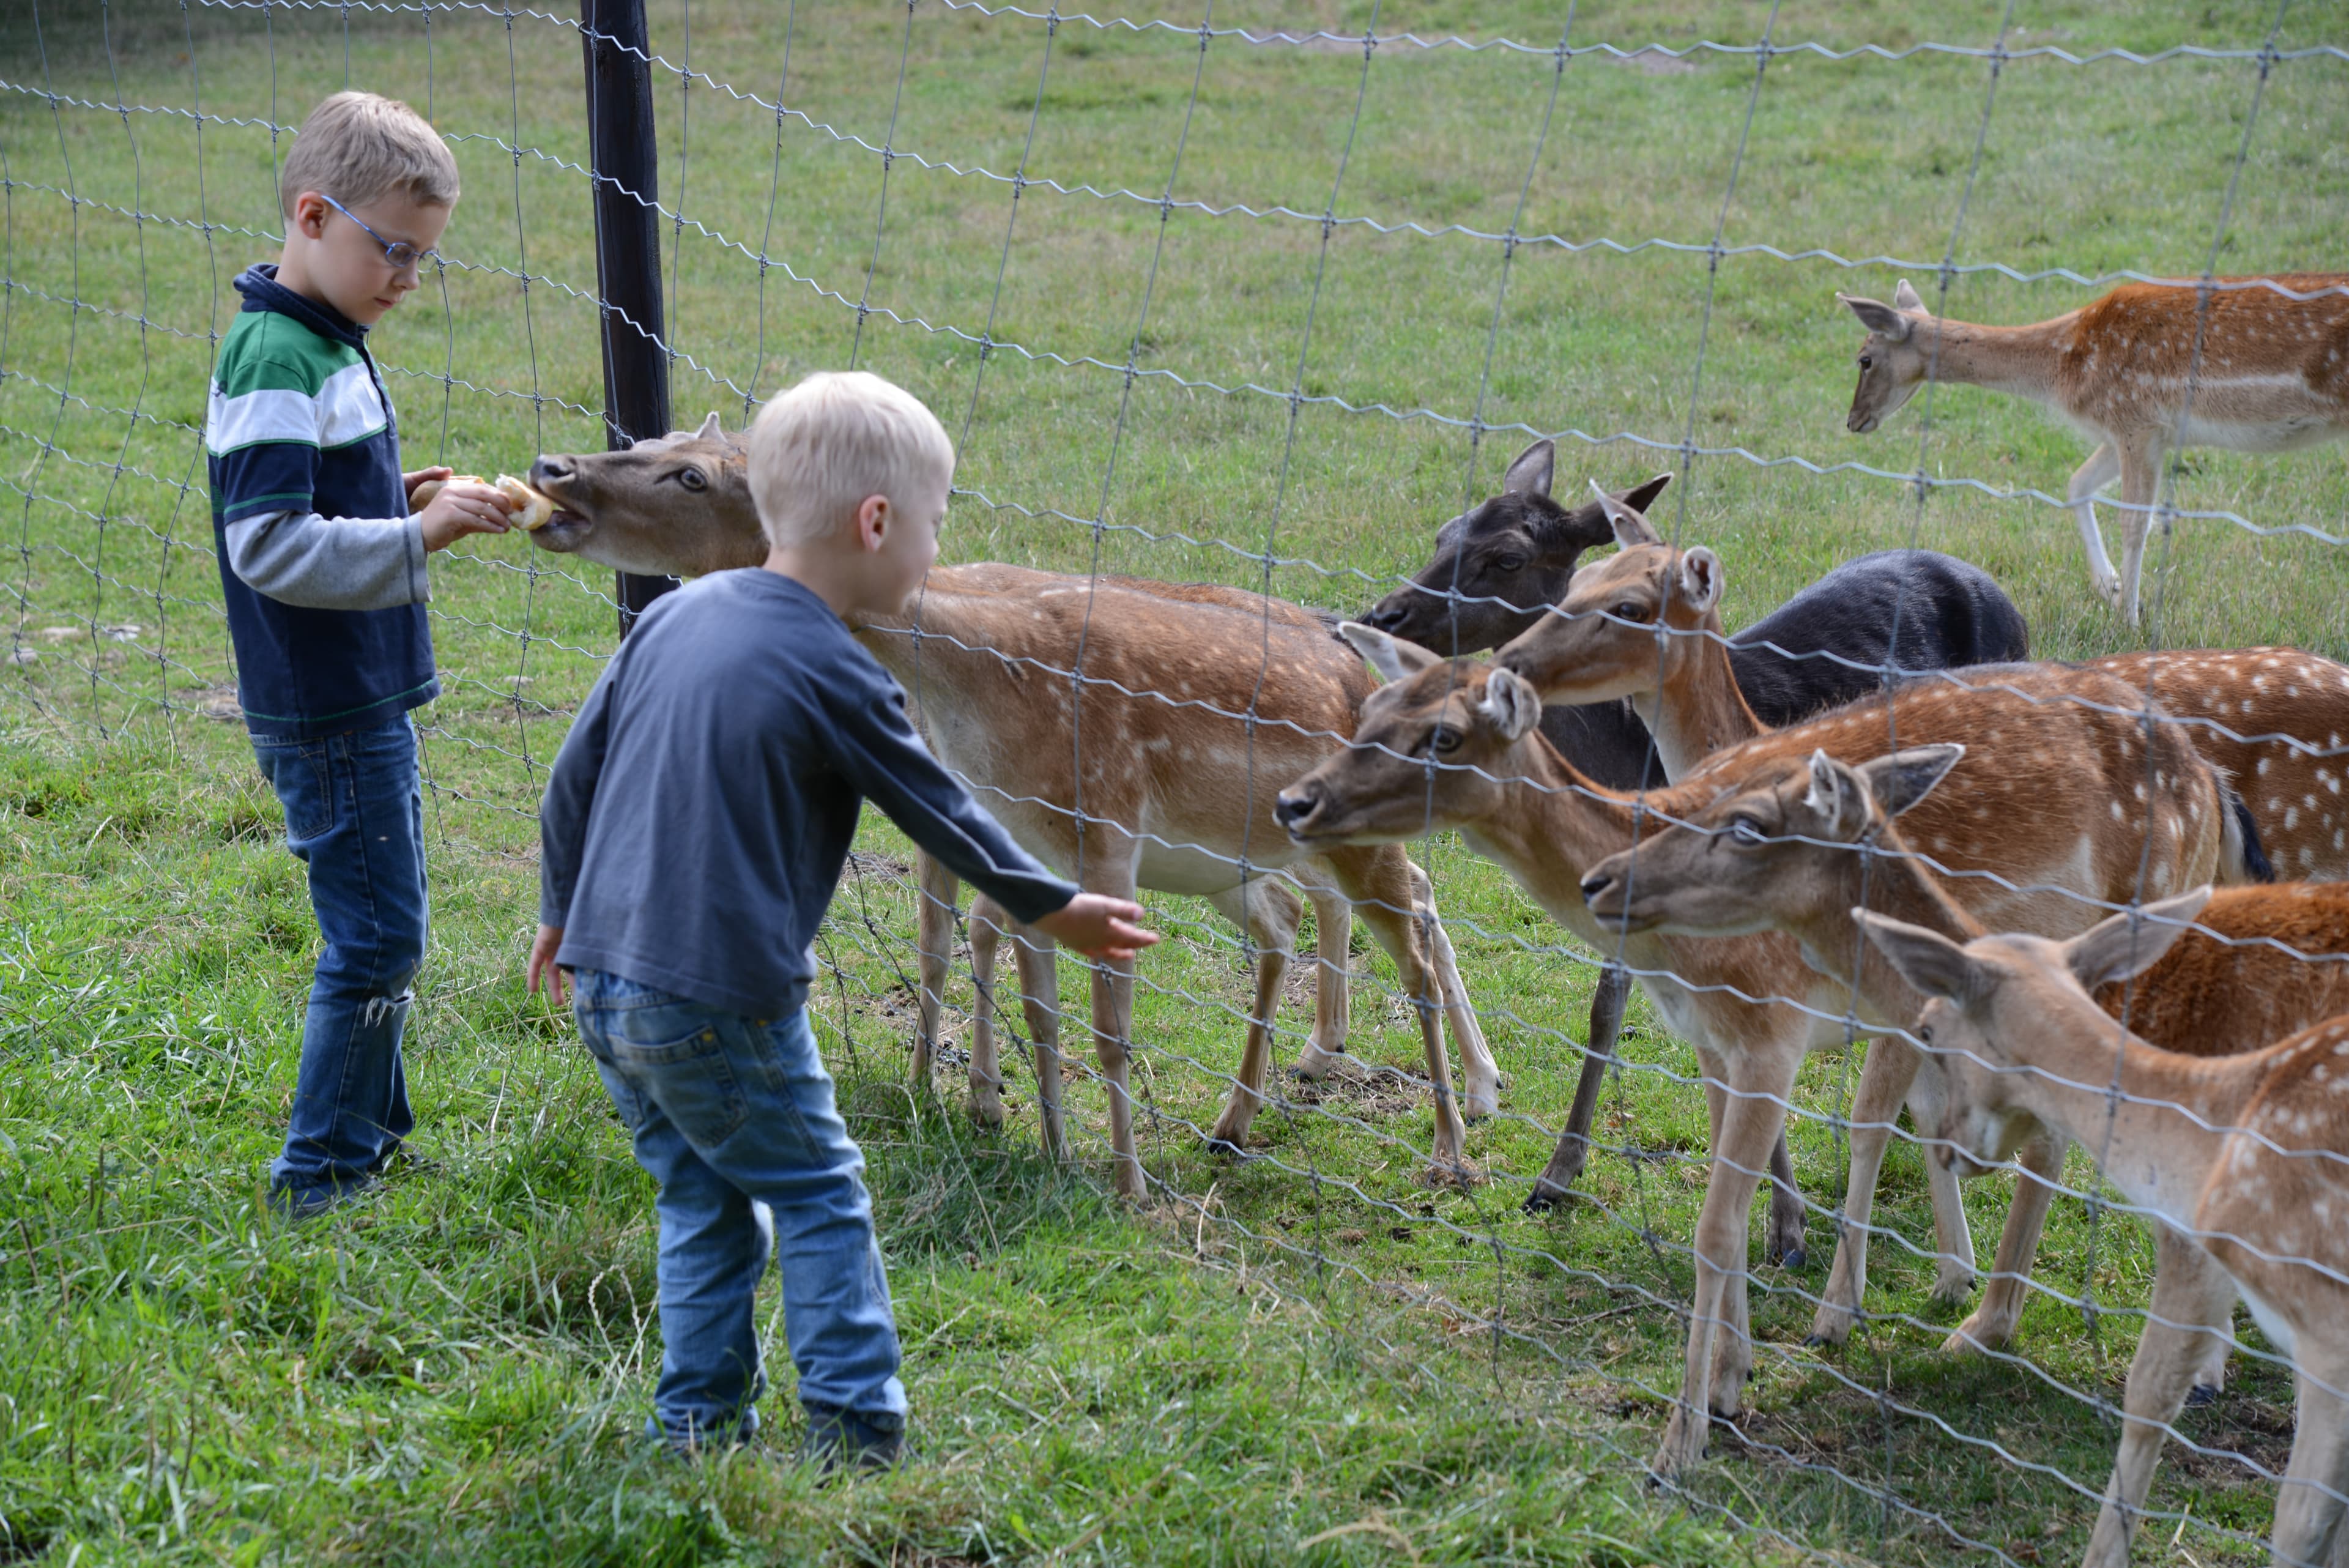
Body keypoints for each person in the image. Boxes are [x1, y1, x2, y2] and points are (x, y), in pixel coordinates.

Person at [526, 370, 1157, 1471]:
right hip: (724, 998)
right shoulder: (837, 667)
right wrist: (1052, 906)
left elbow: (569, 781)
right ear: (876, 524)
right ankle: (857, 1433)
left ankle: (697, 1424)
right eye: (934, 528)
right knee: (820, 1193)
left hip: (607, 983)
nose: (934, 555)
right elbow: (941, 811)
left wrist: (555, 912)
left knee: (702, 1200)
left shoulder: (672, 618)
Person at [206, 91, 521, 1219]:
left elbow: (311, 496)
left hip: (354, 696)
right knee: (379, 935)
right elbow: (266, 542)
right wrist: (413, 536)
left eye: (422, 257)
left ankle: (372, 1137)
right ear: (310, 214)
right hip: (327, 703)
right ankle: (323, 1171)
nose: (405, 277)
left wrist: (398, 496)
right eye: (391, 248)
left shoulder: (317, 338)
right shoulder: (278, 355)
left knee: (390, 922)